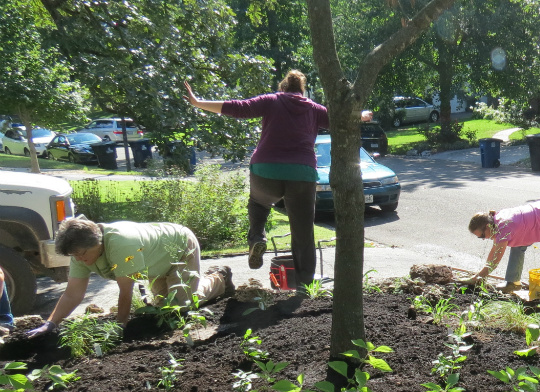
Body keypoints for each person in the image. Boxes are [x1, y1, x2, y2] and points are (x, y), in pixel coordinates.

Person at [184, 70, 329, 286]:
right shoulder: (315, 109)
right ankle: (305, 286)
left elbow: (238, 107)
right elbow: (342, 120)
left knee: (258, 203)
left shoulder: (271, 100)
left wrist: (199, 102)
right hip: (302, 173)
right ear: (302, 90)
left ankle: (257, 239)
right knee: (303, 233)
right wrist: (360, 116)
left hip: (266, 170)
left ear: (283, 88)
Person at [26, 218, 233, 337]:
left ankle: (219, 278)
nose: (80, 259)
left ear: (98, 242)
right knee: (164, 309)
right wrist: (50, 324)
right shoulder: (80, 251)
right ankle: (197, 283)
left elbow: (126, 291)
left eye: (82, 254)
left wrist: (120, 327)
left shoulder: (121, 244)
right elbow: (72, 294)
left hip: (179, 248)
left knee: (181, 306)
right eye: (75, 256)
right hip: (155, 264)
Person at [464, 201, 540, 312]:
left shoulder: (504, 226)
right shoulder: (496, 222)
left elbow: (495, 260)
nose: (484, 239)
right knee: (517, 244)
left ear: (487, 226)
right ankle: (513, 283)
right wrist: (479, 276)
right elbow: (494, 250)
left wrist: (478, 278)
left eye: (482, 236)